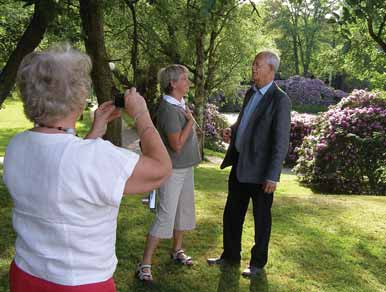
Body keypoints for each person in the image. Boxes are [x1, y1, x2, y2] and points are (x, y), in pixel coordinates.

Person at [3, 43, 172, 292]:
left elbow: (67, 173)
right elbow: (161, 168)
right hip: (79, 283)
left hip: (26, 275)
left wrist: (96, 132)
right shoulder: (90, 157)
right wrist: (141, 114)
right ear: (78, 96)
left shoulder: (17, 146)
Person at [207, 51, 291, 277]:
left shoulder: (280, 100)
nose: (253, 69)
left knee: (261, 220)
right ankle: (230, 256)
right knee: (232, 214)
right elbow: (244, 121)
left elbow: (281, 141)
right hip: (240, 166)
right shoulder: (250, 93)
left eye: (258, 65)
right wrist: (232, 131)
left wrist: (273, 175)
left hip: (262, 173)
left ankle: (256, 264)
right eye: (253, 64)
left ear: (271, 70)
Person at [136, 64, 201, 283]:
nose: (188, 82)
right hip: (172, 170)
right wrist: (190, 121)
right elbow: (177, 145)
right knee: (165, 216)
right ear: (172, 83)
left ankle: (177, 250)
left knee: (183, 211)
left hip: (186, 168)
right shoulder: (167, 109)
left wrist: (190, 119)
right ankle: (144, 264)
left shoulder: (179, 103)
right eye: (184, 79)